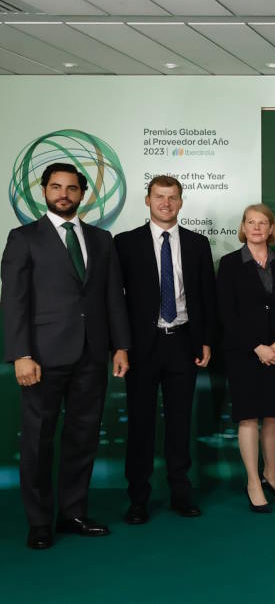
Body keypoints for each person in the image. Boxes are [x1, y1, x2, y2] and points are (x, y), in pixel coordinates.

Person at [2, 163, 130, 550]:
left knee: (83, 437)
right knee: (38, 440)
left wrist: (120, 345)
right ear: (43, 191)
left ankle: (73, 512)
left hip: (92, 354)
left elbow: (112, 297)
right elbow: (14, 303)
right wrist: (21, 353)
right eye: (55, 187)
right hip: (42, 356)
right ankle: (40, 521)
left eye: (71, 188)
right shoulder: (24, 238)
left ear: (82, 193)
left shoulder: (102, 239)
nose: (64, 194)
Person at [114, 175, 215, 525]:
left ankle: (180, 492)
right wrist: (121, 347)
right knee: (141, 423)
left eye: (172, 197)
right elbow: (115, 301)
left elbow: (205, 297)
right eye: (159, 196)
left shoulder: (198, 243)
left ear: (181, 202)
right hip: (142, 347)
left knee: (179, 422)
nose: (166, 203)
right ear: (147, 200)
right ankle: (138, 498)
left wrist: (204, 340)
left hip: (183, 343)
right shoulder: (124, 244)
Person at [216, 203, 275, 513]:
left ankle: (272, 475)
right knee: (249, 415)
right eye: (250, 222)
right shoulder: (228, 264)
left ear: (270, 229)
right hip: (243, 352)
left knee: (274, 415)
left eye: (262, 222)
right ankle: (253, 481)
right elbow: (226, 312)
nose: (256, 227)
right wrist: (258, 346)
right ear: (243, 227)